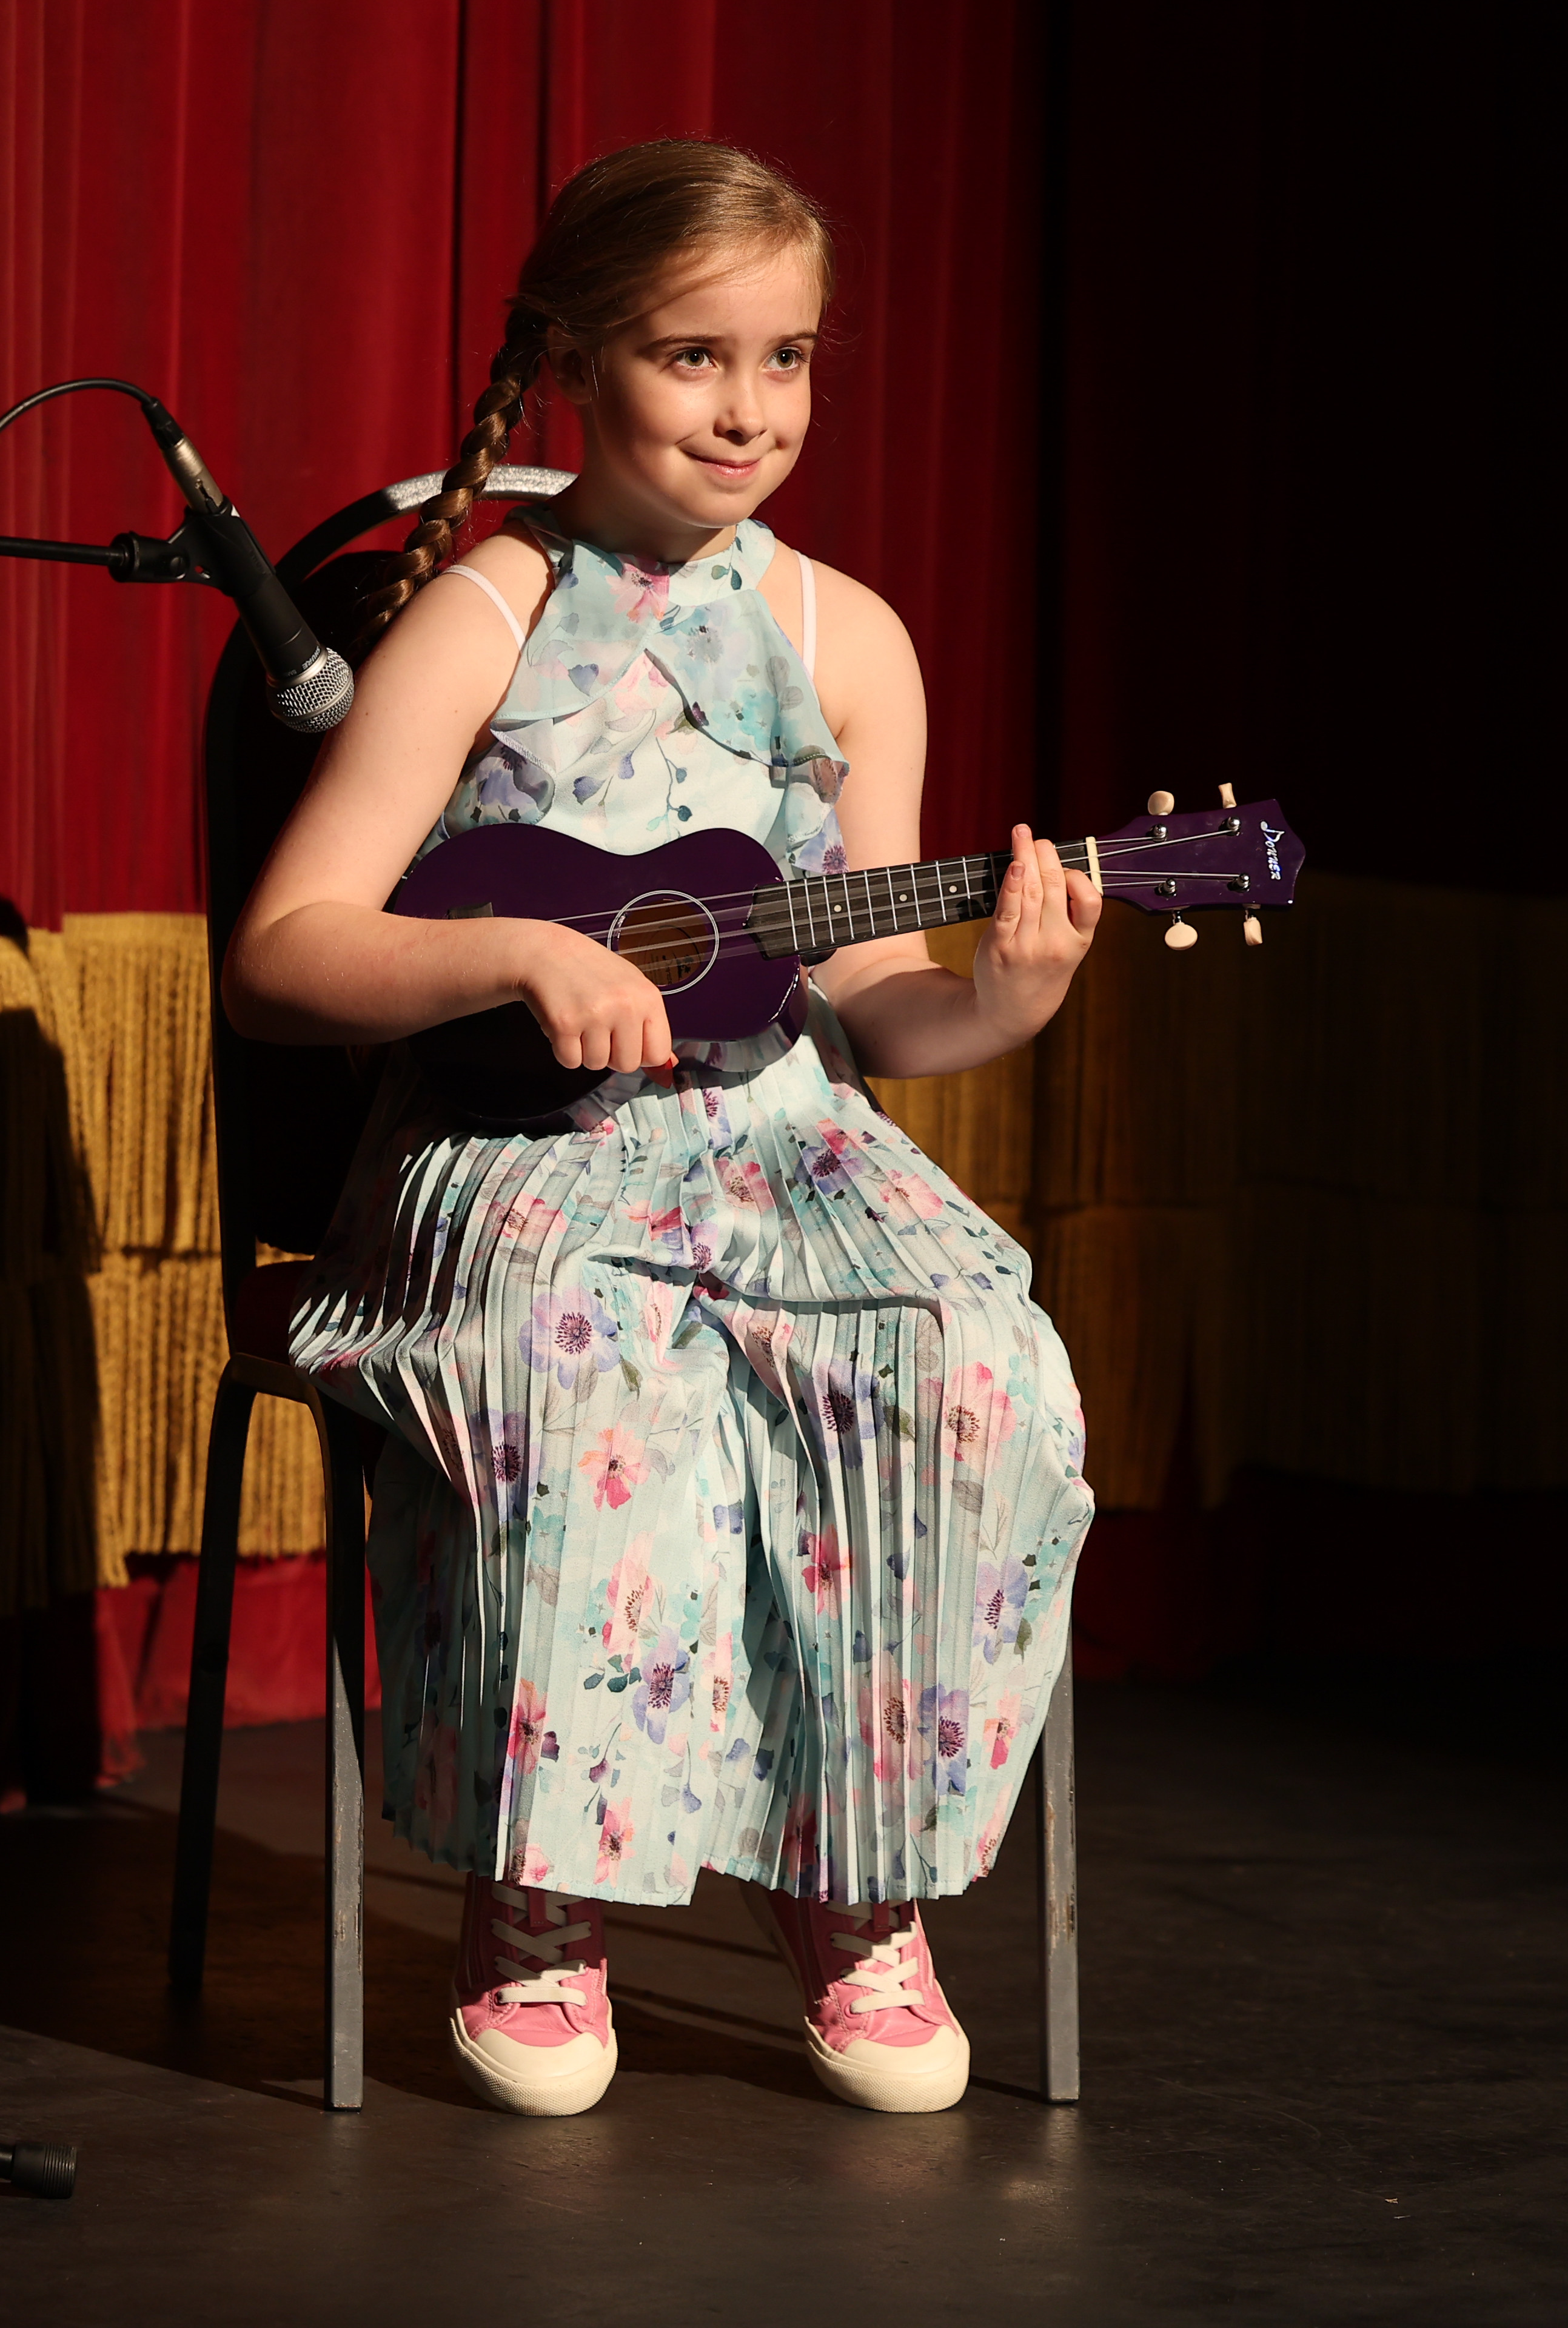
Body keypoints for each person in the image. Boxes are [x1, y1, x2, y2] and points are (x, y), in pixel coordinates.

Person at [222, 138, 1102, 2118]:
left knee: (971, 1367)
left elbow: (867, 995)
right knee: (597, 1371)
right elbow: (284, 950)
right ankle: (544, 1891)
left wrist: (1003, 996)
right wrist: (515, 955)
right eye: (695, 357)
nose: (748, 409)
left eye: (785, 360)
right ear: (572, 360)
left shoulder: (851, 640)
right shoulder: (482, 617)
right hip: (528, 1153)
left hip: (784, 1140)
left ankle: (852, 1877)